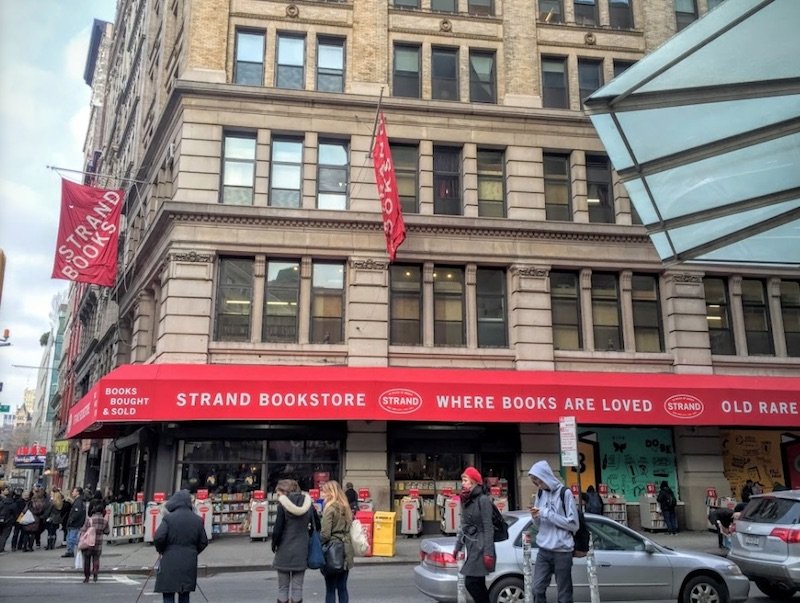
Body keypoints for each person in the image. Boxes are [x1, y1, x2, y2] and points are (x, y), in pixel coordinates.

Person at [529, 460, 580, 603]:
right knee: (537, 589)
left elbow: (574, 525)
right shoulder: (540, 493)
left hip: (562, 550)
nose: (539, 486)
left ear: (546, 477)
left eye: (540, 482)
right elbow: (539, 524)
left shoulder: (565, 493)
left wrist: (547, 513)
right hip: (544, 549)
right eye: (536, 483)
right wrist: (535, 517)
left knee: (564, 593)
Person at [154, 490, 208, 603]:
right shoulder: (197, 520)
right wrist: (193, 551)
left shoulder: (168, 519)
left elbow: (159, 537)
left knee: (168, 594)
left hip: (169, 559)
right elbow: (203, 541)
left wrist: (162, 550)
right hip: (189, 561)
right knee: (184, 595)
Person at [272, 479, 320, 603]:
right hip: (302, 549)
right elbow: (317, 525)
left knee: (283, 587)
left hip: (284, 549)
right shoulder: (308, 504)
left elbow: (278, 529)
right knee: (298, 587)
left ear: (284, 491)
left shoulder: (282, 506)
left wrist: (274, 545)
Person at [453, 467, 495, 603]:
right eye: (462, 480)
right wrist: (457, 546)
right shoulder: (465, 499)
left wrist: (488, 552)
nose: (463, 483)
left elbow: (488, 527)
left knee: (470, 582)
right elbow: (463, 525)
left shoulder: (483, 500)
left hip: (481, 545)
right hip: (471, 544)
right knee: (478, 583)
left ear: (474, 482)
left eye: (465, 480)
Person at [319, 480, 354, 603]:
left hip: (333, 549)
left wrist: (319, 544)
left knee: (330, 589)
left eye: (323, 491)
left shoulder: (330, 508)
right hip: (346, 548)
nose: (321, 494)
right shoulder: (346, 507)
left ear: (330, 492)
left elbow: (325, 534)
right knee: (342, 587)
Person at [79, 499, 110, 583]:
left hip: (89, 543)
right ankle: (95, 572)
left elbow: (83, 530)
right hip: (98, 543)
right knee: (96, 558)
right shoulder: (104, 521)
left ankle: (87, 577)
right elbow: (107, 532)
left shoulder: (89, 520)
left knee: (87, 559)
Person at [63, 487, 86, 558]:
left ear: (78, 492)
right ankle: (70, 551)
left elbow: (77, 512)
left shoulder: (79, 501)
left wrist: (71, 519)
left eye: (74, 491)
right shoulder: (78, 500)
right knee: (70, 537)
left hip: (75, 523)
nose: (72, 492)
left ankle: (82, 546)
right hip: (75, 522)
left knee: (72, 538)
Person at [0, 487, 18, 552]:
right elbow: (16, 514)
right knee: (5, 535)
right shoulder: (13, 504)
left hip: (1, 519)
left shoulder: (2, 502)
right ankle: (1, 548)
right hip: (8, 521)